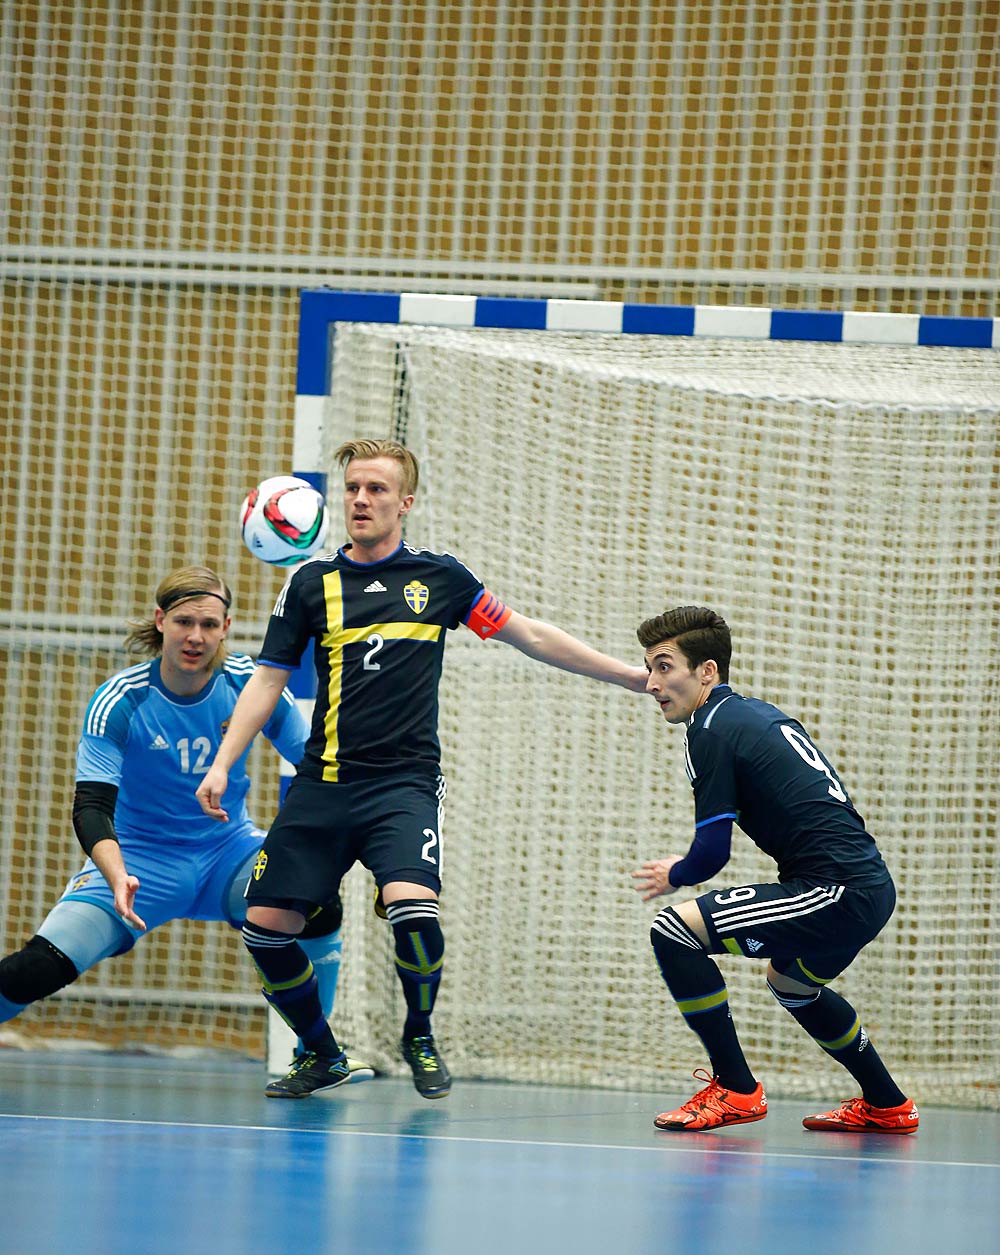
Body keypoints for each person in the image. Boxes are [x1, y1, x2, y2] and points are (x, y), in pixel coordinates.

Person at [196, 438, 649, 1100]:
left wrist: (630, 677)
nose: (360, 499)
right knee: (265, 929)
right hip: (324, 784)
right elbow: (266, 682)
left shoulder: (440, 579)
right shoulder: (309, 585)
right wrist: (221, 763)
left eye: (377, 489)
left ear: (404, 503)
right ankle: (321, 1053)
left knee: (414, 909)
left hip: (401, 787)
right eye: (352, 488)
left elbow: (530, 635)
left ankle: (420, 1033)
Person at [0, 566, 367, 1078]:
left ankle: (316, 1050)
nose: (196, 637)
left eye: (210, 625)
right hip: (138, 863)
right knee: (32, 971)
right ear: (161, 621)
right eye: (184, 622)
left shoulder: (249, 686)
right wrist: (114, 873)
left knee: (319, 902)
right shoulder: (121, 701)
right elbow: (90, 807)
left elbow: (317, 765)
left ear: (227, 628)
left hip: (228, 854)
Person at [631, 604, 917, 1134]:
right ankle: (887, 1103)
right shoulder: (755, 714)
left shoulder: (710, 729)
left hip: (835, 890)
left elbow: (711, 854)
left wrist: (677, 871)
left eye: (664, 666)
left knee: (673, 932)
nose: (651, 682)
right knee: (791, 984)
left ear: (707, 671)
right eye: (648, 668)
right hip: (867, 887)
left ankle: (736, 1090)